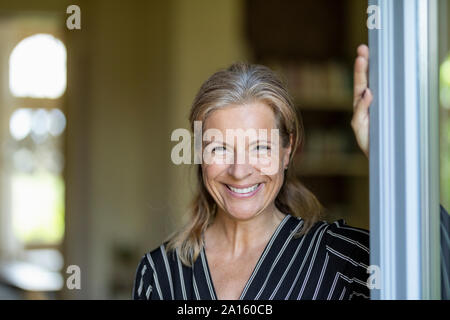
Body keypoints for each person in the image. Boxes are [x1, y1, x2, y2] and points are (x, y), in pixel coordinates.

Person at [133, 45, 447, 300]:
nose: (240, 170)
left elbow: (437, 275)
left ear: (287, 151)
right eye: (220, 148)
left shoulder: (344, 259)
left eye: (260, 147)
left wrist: (386, 157)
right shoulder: (160, 274)